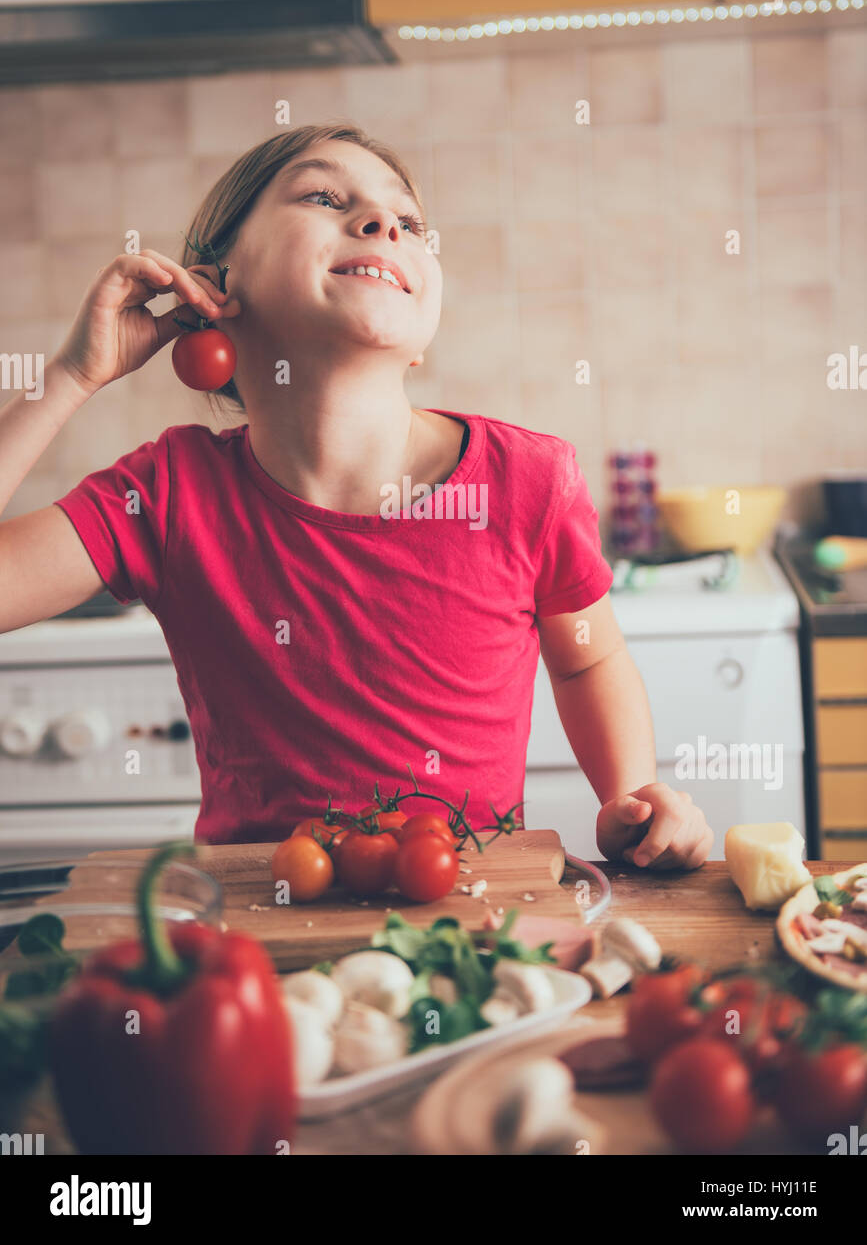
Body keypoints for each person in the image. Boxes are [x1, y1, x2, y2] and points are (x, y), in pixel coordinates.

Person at [0, 122, 712, 867]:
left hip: (467, 936)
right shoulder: (167, 494)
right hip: (256, 939)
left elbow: (587, 660)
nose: (380, 224)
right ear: (211, 287)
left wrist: (630, 799)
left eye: (408, 223)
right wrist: (72, 377)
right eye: (323, 197)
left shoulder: (527, 479)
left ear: (421, 330)